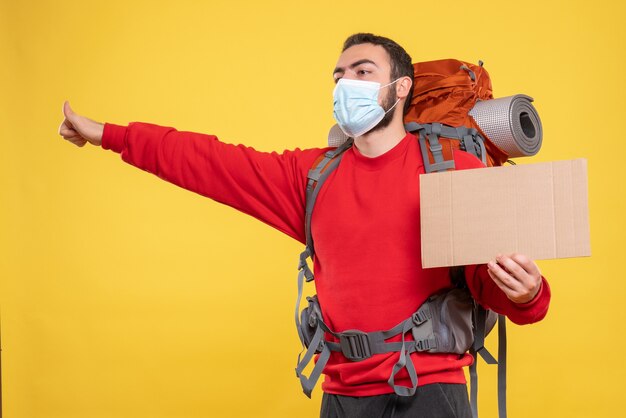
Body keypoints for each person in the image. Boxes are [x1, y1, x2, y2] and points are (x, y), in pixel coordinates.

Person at [58, 33, 550, 418]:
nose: (345, 84)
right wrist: (108, 135)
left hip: (432, 393)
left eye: (362, 71)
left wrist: (529, 294)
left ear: (400, 88)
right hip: (342, 394)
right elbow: (208, 161)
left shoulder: (451, 171)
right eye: (338, 75)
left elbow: (494, 287)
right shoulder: (314, 176)